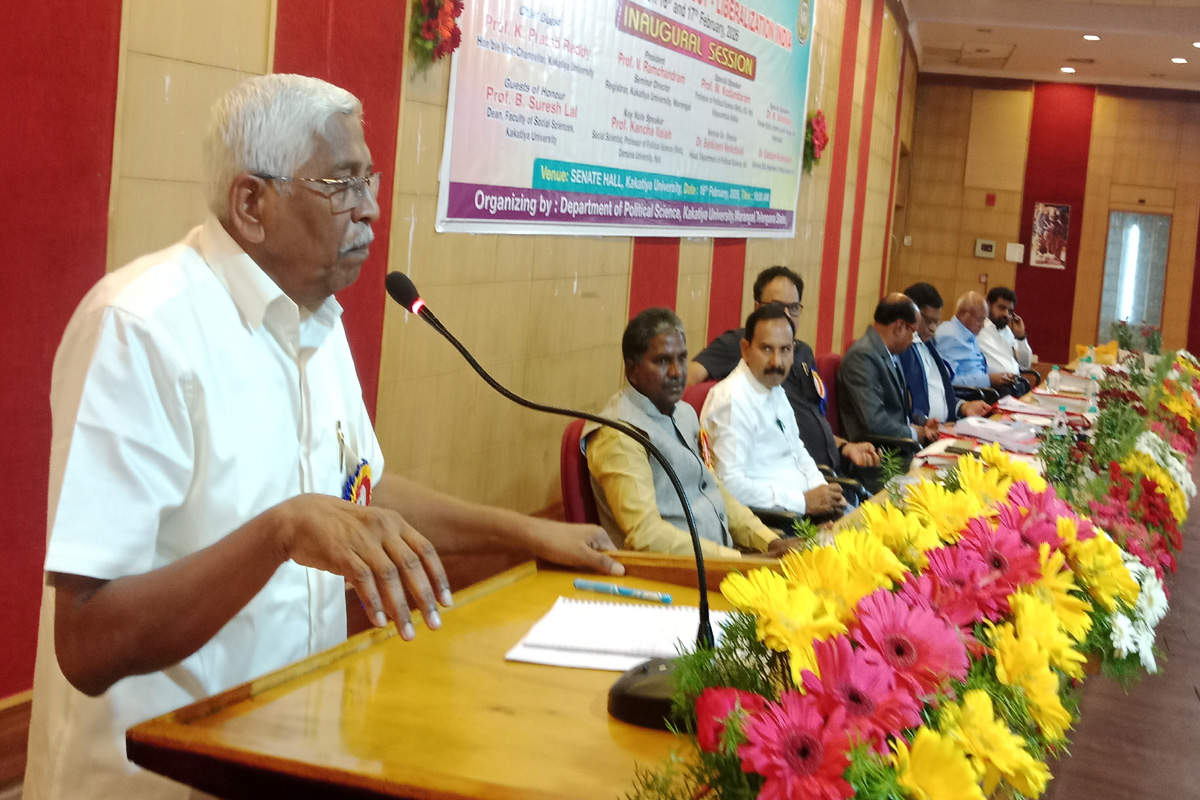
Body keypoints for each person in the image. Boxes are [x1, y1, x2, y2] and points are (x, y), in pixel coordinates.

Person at [25, 74, 621, 800]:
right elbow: (87, 641)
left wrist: (526, 535)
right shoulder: (141, 328)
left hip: (287, 751)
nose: (371, 208)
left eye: (369, 180)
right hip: (155, 778)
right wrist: (280, 532)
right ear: (252, 204)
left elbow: (357, 492)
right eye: (341, 184)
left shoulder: (315, 318)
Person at [583, 308, 804, 559]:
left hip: (722, 560)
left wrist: (770, 541)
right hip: (671, 573)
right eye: (662, 361)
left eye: (681, 358)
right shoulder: (619, 435)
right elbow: (646, 535)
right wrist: (741, 561)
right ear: (632, 371)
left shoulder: (684, 413)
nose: (677, 372)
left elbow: (715, 490)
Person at [687, 265, 879, 474]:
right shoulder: (742, 343)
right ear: (757, 307)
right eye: (778, 306)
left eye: (793, 307)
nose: (787, 315)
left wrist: (844, 446)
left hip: (827, 471)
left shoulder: (803, 351)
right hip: (787, 477)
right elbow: (689, 378)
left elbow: (810, 422)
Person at [699, 304, 846, 517]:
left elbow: (797, 451)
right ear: (745, 349)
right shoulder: (732, 400)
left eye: (785, 350)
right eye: (767, 349)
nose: (776, 361)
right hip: (777, 522)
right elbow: (729, 486)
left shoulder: (773, 387)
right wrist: (803, 502)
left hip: (808, 511)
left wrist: (824, 493)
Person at [838, 294, 939, 448]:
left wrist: (923, 423)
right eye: (913, 332)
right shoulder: (862, 357)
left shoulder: (890, 352)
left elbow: (896, 409)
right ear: (899, 327)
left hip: (898, 445)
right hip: (878, 453)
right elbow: (875, 422)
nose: (913, 339)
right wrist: (914, 433)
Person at [898, 283, 992, 422]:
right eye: (928, 321)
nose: (933, 328)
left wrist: (962, 406)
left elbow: (939, 390)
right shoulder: (902, 350)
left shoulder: (928, 344)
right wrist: (926, 426)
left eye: (936, 322)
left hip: (948, 423)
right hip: (927, 429)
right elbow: (903, 407)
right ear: (912, 314)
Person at [935, 291, 1027, 396]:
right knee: (1012, 393)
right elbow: (948, 380)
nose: (983, 326)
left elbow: (981, 367)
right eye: (980, 320)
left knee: (1019, 386)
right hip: (969, 394)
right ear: (964, 315)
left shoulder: (969, 333)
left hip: (982, 389)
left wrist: (1001, 375)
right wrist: (988, 380)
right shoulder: (949, 335)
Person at [978, 286, 1033, 377]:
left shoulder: (1008, 332)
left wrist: (1020, 337)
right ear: (988, 305)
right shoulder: (978, 329)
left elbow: (1025, 365)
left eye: (1010, 311)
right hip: (990, 383)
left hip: (1015, 381)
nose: (1006, 314)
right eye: (1001, 308)